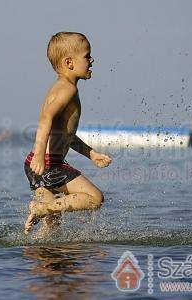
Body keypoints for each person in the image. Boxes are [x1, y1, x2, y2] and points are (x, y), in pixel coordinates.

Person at [24, 32, 112, 234]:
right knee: (95, 198)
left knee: (52, 228)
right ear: (69, 62)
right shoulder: (67, 89)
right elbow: (45, 118)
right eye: (87, 56)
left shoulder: (60, 87)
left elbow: (65, 135)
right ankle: (41, 208)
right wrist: (39, 155)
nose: (91, 60)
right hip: (47, 163)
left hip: (38, 164)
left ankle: (41, 256)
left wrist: (91, 154)